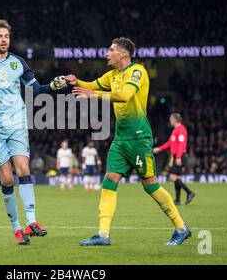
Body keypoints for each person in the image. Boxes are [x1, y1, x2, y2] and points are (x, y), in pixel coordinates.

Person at [65, 37, 191, 246]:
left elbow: (124, 95)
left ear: (123, 54)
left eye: (111, 50)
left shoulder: (137, 71)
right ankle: (103, 235)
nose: (107, 54)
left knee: (150, 185)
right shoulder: (112, 75)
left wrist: (93, 95)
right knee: (109, 180)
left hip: (139, 137)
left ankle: (181, 227)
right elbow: (91, 84)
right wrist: (75, 81)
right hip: (120, 138)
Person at [0, 19, 67, 245]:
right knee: (7, 177)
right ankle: (17, 227)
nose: (3, 40)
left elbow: (36, 90)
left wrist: (54, 87)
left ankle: (32, 221)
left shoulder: (18, 63)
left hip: (17, 123)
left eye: (6, 36)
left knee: (23, 168)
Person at [154, 113, 195, 205]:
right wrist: (159, 149)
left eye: (171, 119)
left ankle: (189, 192)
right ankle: (177, 200)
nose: (170, 121)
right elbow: (169, 143)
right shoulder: (176, 130)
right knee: (176, 178)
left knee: (172, 177)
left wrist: (179, 157)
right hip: (176, 156)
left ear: (174, 120)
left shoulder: (181, 130)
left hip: (180, 156)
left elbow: (182, 144)